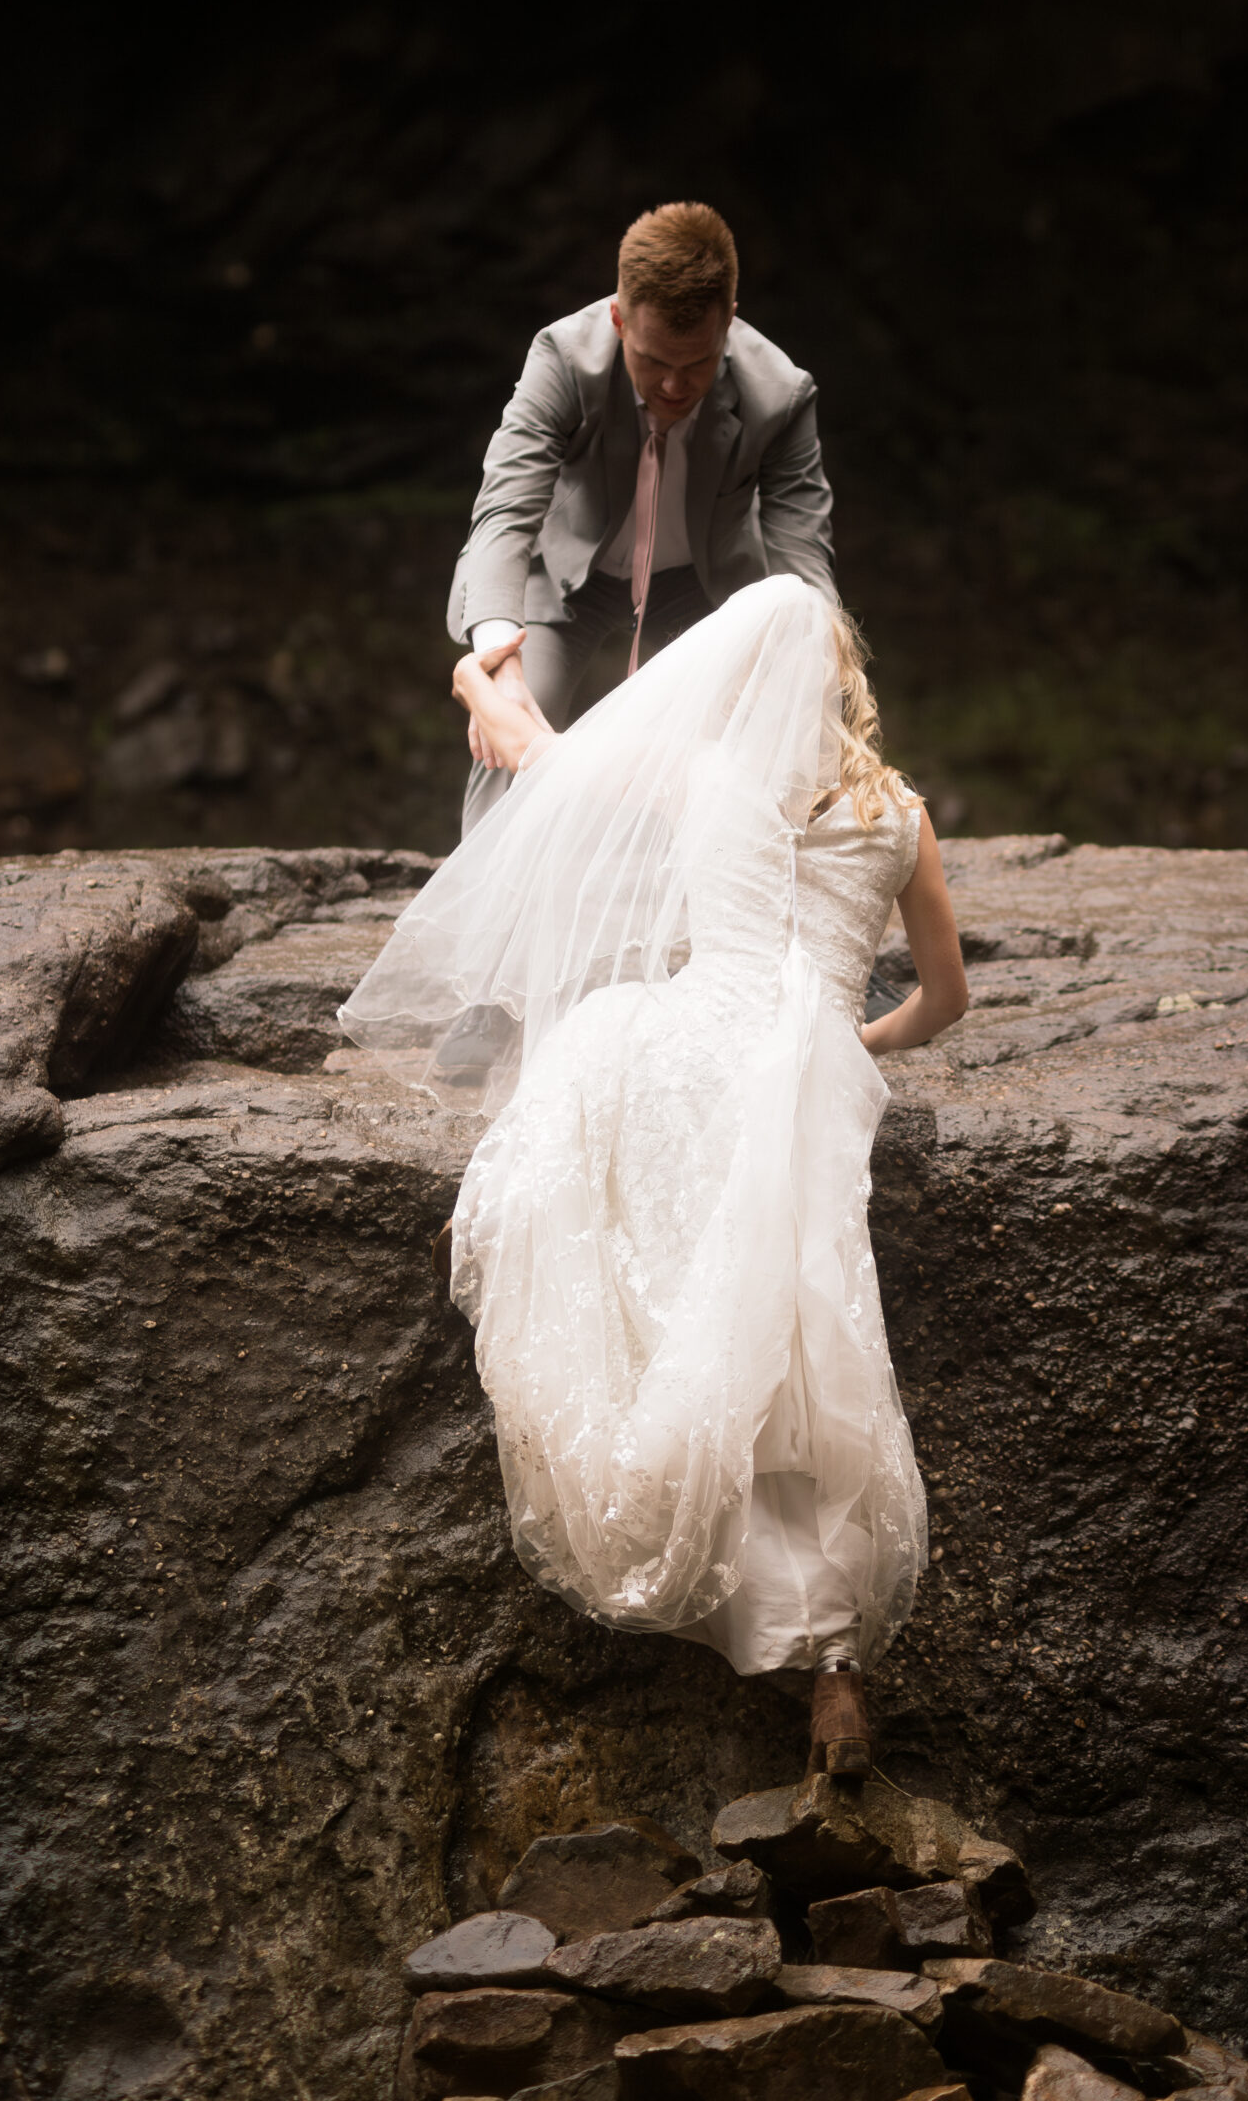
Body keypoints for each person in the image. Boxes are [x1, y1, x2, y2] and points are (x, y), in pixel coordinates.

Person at [339, 576, 967, 1774]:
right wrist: (854, 1045)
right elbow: (945, 998)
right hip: (812, 1073)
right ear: (845, 677)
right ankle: (832, 1667)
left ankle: (509, 1235)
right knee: (795, 1326)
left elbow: (535, 753)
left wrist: (479, 675)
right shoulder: (902, 816)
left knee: (592, 1114)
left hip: (690, 1049)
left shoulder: (710, 780)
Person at [450, 200, 836, 838]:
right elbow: (504, 508)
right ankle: (482, 923)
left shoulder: (783, 393)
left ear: (729, 323)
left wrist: (819, 678)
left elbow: (804, 556)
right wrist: (498, 661)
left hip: (706, 591)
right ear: (618, 319)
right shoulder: (563, 358)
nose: (675, 389)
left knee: (769, 735)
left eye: (698, 365)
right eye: (655, 362)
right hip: (568, 579)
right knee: (511, 715)